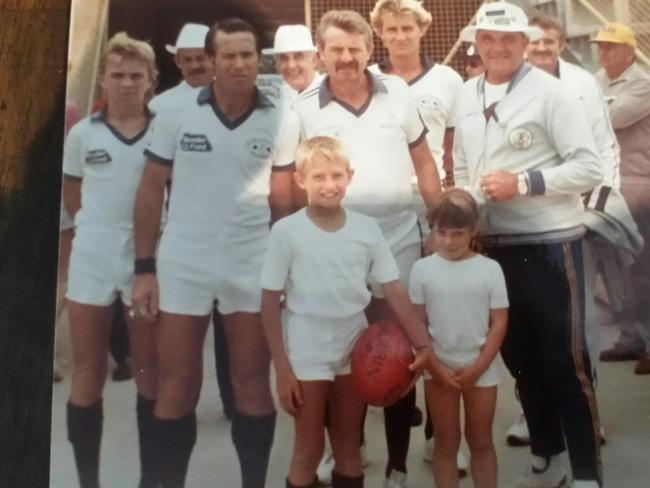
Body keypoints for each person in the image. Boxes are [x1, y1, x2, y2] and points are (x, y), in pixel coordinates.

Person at [132, 18, 299, 488]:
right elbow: (149, 191)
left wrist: (285, 271)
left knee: (250, 385)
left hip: (251, 260)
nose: (240, 64)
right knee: (177, 386)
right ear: (211, 60)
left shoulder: (281, 114)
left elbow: (282, 201)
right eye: (229, 55)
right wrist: (144, 269)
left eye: (248, 55)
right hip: (184, 258)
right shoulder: (174, 113)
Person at [454, 3, 603, 487]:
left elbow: (589, 167)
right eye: (489, 39)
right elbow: (461, 167)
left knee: (565, 361)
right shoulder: (465, 93)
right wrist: (465, 212)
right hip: (493, 245)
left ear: (524, 42)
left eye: (508, 39)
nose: (497, 47)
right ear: (477, 42)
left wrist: (523, 182)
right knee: (521, 362)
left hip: (551, 242)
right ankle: (547, 455)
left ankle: (586, 473)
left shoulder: (553, 93)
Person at [291, 10, 441, 488]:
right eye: (335, 49)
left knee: (394, 353)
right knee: (345, 358)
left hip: (398, 238)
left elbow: (424, 160)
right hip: (336, 246)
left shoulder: (398, 92)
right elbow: (295, 184)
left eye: (354, 48)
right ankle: (345, 455)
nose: (346, 57)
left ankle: (397, 466)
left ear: (368, 50)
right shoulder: (303, 107)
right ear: (321, 53)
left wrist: (437, 223)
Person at [261, 136, 435, 488]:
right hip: (307, 346)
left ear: (350, 176)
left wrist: (421, 342)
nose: (329, 185)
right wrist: (282, 367)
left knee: (347, 445)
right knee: (308, 448)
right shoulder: (286, 231)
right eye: (319, 177)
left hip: (355, 344)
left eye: (336, 176)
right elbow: (268, 301)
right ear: (300, 180)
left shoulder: (365, 229)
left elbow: (394, 289)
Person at [502, 14, 643, 447]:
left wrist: (596, 205)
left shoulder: (583, 83)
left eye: (549, 43)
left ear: (560, 44)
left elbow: (604, 149)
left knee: (578, 325)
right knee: (528, 325)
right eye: (536, 43)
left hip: (576, 218)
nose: (542, 49)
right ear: (525, 44)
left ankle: (587, 415)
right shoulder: (505, 84)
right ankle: (535, 416)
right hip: (522, 224)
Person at [367, 0, 467, 473]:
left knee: (436, 324)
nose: (401, 35)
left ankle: (440, 434)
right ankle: (389, 445)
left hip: (431, 210)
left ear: (422, 29)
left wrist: (444, 215)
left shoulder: (448, 81)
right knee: (392, 331)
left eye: (408, 27)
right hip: (383, 213)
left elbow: (451, 150)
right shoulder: (368, 76)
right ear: (380, 33)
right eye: (392, 28)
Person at [62, 32, 159, 488]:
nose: (125, 83)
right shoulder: (83, 134)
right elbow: (74, 193)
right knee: (88, 370)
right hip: (94, 254)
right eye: (117, 74)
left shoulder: (164, 131)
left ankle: (148, 479)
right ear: (103, 77)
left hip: (145, 257)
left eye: (135, 75)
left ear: (150, 81)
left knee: (146, 370)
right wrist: (99, 231)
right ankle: (89, 481)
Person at [409, 188, 508, 488]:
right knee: (445, 442)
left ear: (473, 230)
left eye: (458, 233)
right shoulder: (422, 269)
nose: (449, 241)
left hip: (481, 366)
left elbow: (499, 322)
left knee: (480, 440)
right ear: (432, 229)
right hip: (438, 367)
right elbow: (418, 323)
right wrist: (435, 367)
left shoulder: (490, 269)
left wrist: (479, 367)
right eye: (442, 232)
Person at [591, 22, 650, 375]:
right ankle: (631, 337)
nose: (604, 52)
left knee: (643, 266)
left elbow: (609, 118)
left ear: (629, 51)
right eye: (601, 46)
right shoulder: (598, 79)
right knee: (614, 265)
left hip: (638, 182)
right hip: (608, 184)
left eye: (612, 47)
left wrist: (590, 109)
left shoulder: (643, 82)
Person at [148, 23, 212, 112]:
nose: (194, 66)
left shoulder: (233, 97)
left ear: (213, 59)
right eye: (187, 60)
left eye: (200, 58)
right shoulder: (160, 105)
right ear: (178, 61)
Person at [262, 24, 322, 103]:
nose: (291, 65)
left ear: (314, 60)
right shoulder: (276, 100)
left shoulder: (329, 94)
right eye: (284, 58)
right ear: (277, 64)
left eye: (298, 57)